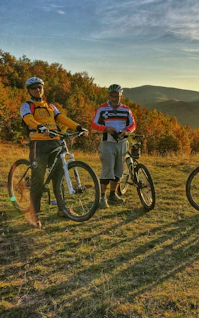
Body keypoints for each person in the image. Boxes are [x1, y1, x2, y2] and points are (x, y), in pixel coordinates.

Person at [20, 77, 88, 228]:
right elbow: (28, 119)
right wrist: (40, 128)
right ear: (29, 90)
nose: (38, 90)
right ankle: (34, 215)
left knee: (58, 177)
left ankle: (62, 209)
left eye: (40, 87)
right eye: (34, 88)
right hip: (39, 142)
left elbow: (61, 118)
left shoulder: (50, 106)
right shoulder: (27, 105)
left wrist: (77, 127)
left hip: (54, 141)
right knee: (38, 180)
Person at [91, 84, 137, 209]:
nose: (114, 98)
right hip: (107, 143)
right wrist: (105, 128)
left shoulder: (126, 109)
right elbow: (94, 125)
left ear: (121, 96)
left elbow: (133, 124)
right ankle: (102, 197)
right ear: (109, 95)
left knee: (118, 171)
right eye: (112, 96)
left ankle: (112, 195)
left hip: (122, 143)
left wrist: (127, 131)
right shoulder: (102, 109)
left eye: (117, 96)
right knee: (107, 170)